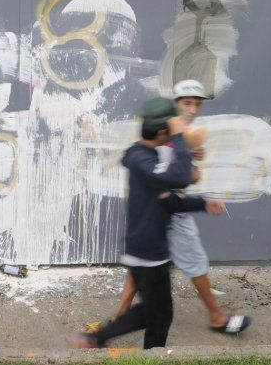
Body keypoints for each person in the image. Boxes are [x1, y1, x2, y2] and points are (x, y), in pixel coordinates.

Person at [70, 98, 225, 349]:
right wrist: (180, 138)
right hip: (147, 252)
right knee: (159, 314)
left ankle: (104, 339)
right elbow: (182, 177)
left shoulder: (149, 159)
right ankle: (99, 338)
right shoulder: (141, 160)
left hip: (149, 249)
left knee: (157, 313)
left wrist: (203, 204)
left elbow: (169, 201)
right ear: (163, 131)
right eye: (170, 131)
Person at [112, 80, 251, 335]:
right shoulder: (170, 133)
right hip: (173, 210)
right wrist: (187, 159)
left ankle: (119, 317)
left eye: (197, 104)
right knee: (195, 261)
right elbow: (182, 176)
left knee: (142, 263)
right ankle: (217, 317)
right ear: (175, 105)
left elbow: (188, 172)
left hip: (160, 210)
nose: (192, 109)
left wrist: (192, 157)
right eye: (187, 103)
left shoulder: (179, 134)